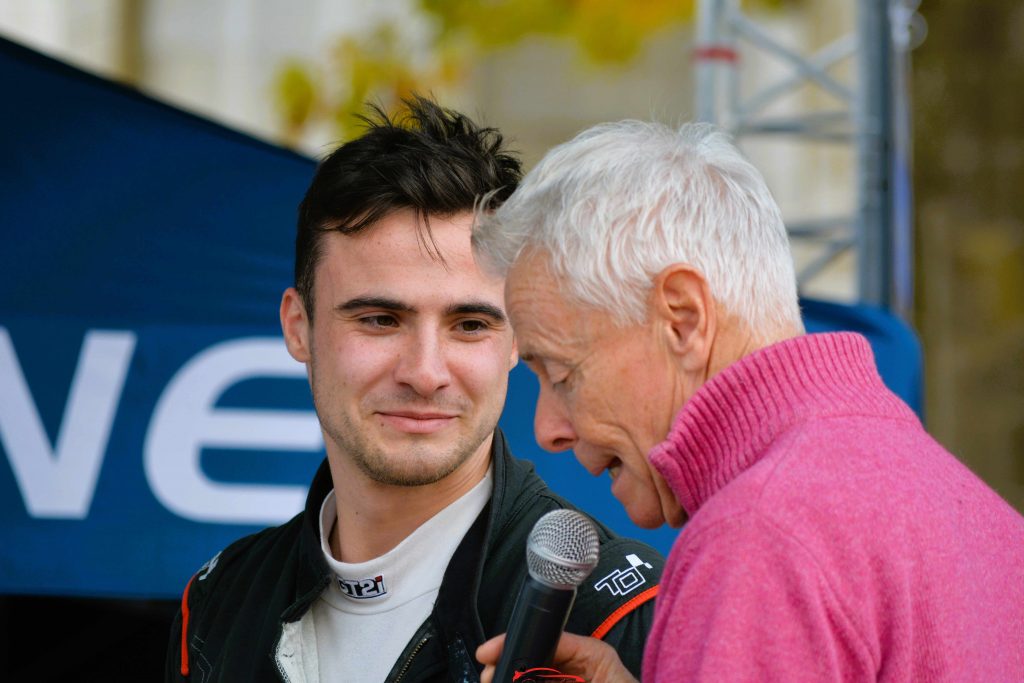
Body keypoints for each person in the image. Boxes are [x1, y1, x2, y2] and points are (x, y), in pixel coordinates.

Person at [473, 120, 1024, 682]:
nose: (546, 428)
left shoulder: (758, 537)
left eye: (561, 373)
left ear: (683, 318)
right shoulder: (978, 515)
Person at [164, 98, 664, 683]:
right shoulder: (220, 599)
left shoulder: (618, 613)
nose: (425, 373)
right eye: (380, 319)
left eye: (470, 325)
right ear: (298, 327)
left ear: (517, 340)